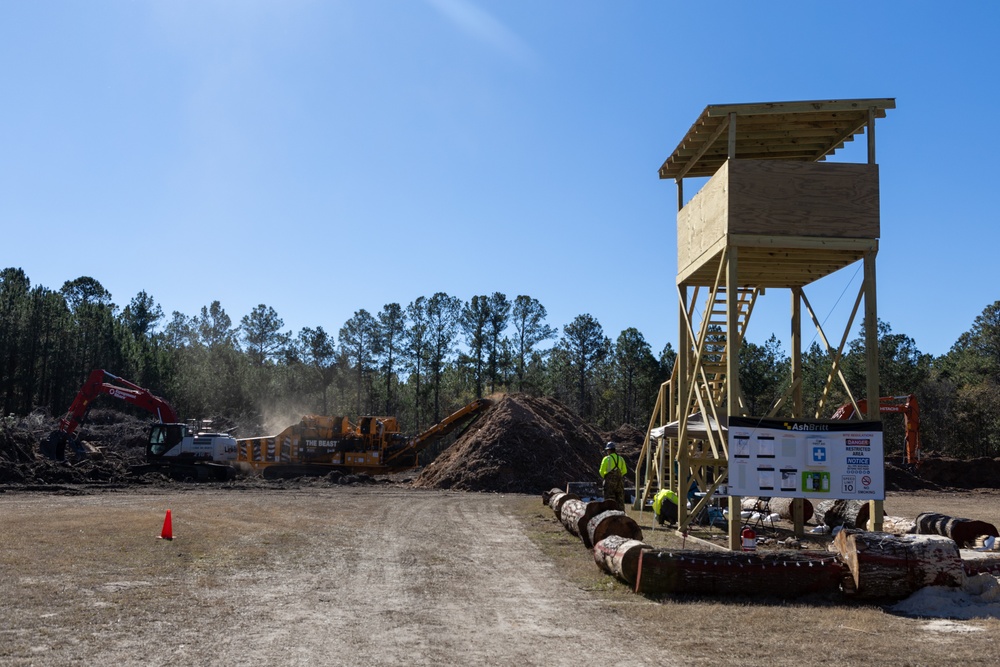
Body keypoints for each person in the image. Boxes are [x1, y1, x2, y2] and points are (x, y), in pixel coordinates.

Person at [599, 442, 627, 511]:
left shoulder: (606, 459)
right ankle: (621, 515)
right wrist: (619, 476)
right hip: (619, 482)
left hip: (609, 483)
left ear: (608, 450)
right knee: (620, 500)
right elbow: (625, 471)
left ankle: (610, 516)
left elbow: (601, 471)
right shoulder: (621, 459)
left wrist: (606, 477)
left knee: (609, 500)